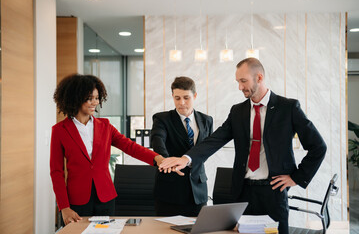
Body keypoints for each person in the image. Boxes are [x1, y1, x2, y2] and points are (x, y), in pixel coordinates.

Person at [159, 58, 327, 234]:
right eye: (238, 82)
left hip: (274, 191)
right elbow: (215, 140)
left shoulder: (288, 108)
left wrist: (297, 177)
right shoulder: (237, 111)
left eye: (243, 81)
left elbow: (318, 146)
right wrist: (186, 159)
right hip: (242, 192)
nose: (240, 87)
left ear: (259, 78)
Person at [50, 74, 165, 225]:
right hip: (76, 200)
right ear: (75, 98)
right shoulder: (59, 130)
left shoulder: (105, 126)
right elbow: (56, 172)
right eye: (89, 98)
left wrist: (157, 158)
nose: (94, 103)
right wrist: (63, 207)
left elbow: (129, 146)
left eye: (97, 98)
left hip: (105, 198)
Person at [151, 76, 213, 217]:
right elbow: (157, 141)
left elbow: (207, 149)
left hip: (198, 190)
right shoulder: (162, 119)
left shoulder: (206, 120)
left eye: (186, 97)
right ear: (172, 96)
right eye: (177, 98)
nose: (182, 103)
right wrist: (168, 163)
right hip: (170, 189)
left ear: (195, 96)